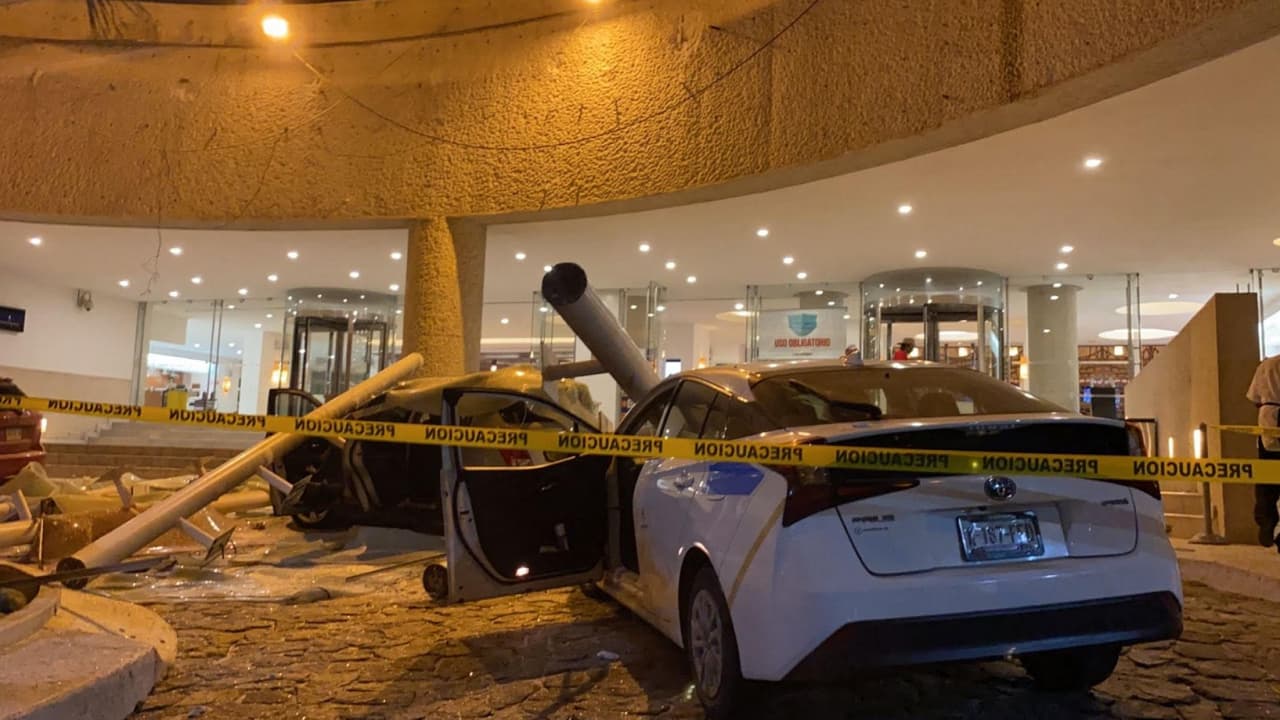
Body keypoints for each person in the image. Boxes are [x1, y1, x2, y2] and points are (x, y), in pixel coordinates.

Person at [1246, 354, 1280, 549]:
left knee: (1266, 476)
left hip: (1268, 417)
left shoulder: (1267, 365)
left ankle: (1266, 519)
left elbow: (1254, 397)